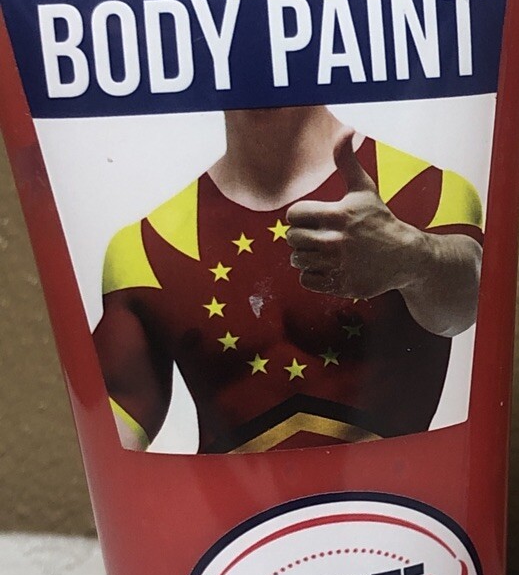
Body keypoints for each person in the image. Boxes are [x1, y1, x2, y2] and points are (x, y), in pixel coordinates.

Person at [94, 103, 483, 453]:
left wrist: (413, 256)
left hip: (392, 503)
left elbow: (467, 305)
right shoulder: (144, 247)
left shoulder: (425, 191)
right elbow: (109, 436)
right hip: (233, 510)